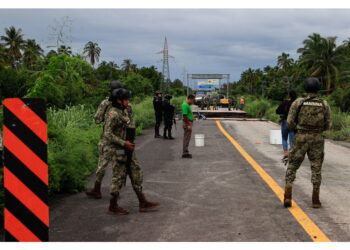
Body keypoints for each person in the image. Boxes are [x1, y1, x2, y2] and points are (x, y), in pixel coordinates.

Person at [102, 88, 159, 215]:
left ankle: (142, 202)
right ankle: (112, 206)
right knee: (118, 177)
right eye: (126, 99)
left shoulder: (124, 111)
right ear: (119, 100)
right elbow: (107, 133)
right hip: (119, 150)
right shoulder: (113, 114)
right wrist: (123, 143)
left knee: (136, 172)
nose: (128, 101)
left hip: (128, 148)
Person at [283, 77, 332, 209]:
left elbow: (289, 122)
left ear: (305, 88)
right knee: (316, 168)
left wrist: (297, 129)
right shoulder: (324, 104)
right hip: (317, 139)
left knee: (292, 165)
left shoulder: (298, 102)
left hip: (300, 137)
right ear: (318, 89)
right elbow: (328, 125)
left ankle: (288, 195)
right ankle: (315, 199)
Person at [276, 91, 297, 165]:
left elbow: (277, 111)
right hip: (293, 123)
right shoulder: (296, 103)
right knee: (292, 140)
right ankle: (292, 155)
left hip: (285, 122)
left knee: (284, 138)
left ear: (289, 96)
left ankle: (286, 155)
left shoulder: (285, 102)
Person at [182, 94, 196, 158]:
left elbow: (187, 114)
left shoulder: (187, 104)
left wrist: (193, 116)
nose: (193, 102)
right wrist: (188, 125)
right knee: (186, 138)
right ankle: (185, 153)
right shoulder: (185, 105)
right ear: (189, 99)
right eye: (192, 101)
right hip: (187, 123)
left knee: (187, 138)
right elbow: (184, 115)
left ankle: (186, 152)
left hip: (188, 122)